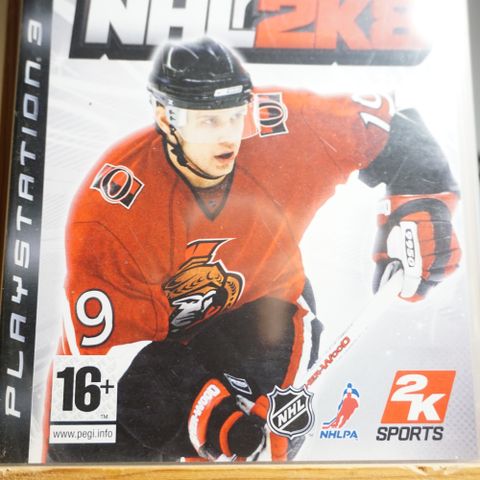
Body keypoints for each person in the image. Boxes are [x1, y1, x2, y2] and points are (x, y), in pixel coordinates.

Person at [48, 38, 460, 462]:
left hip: (258, 318)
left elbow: (392, 128)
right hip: (130, 369)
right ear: (166, 118)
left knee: (259, 448)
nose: (227, 135)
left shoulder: (290, 126)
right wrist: (218, 422)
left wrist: (422, 205)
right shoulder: (110, 213)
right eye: (208, 121)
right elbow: (109, 366)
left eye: (233, 115)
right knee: (88, 456)